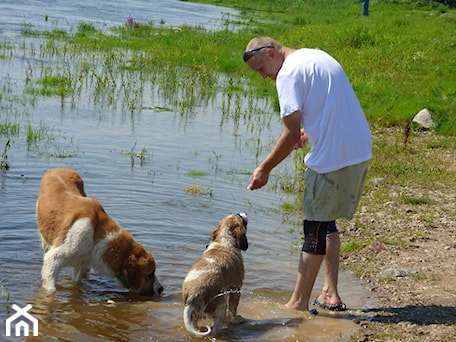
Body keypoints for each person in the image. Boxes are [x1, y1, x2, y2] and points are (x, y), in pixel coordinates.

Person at [243, 37, 372, 313]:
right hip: (359, 150)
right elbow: (329, 104)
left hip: (333, 158)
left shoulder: (287, 73)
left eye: (262, 69)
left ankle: (297, 304)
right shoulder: (316, 54)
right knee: (327, 223)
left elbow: (289, 135)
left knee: (313, 229)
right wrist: (310, 132)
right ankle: (330, 294)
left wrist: (264, 168)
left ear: (271, 53)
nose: (264, 76)